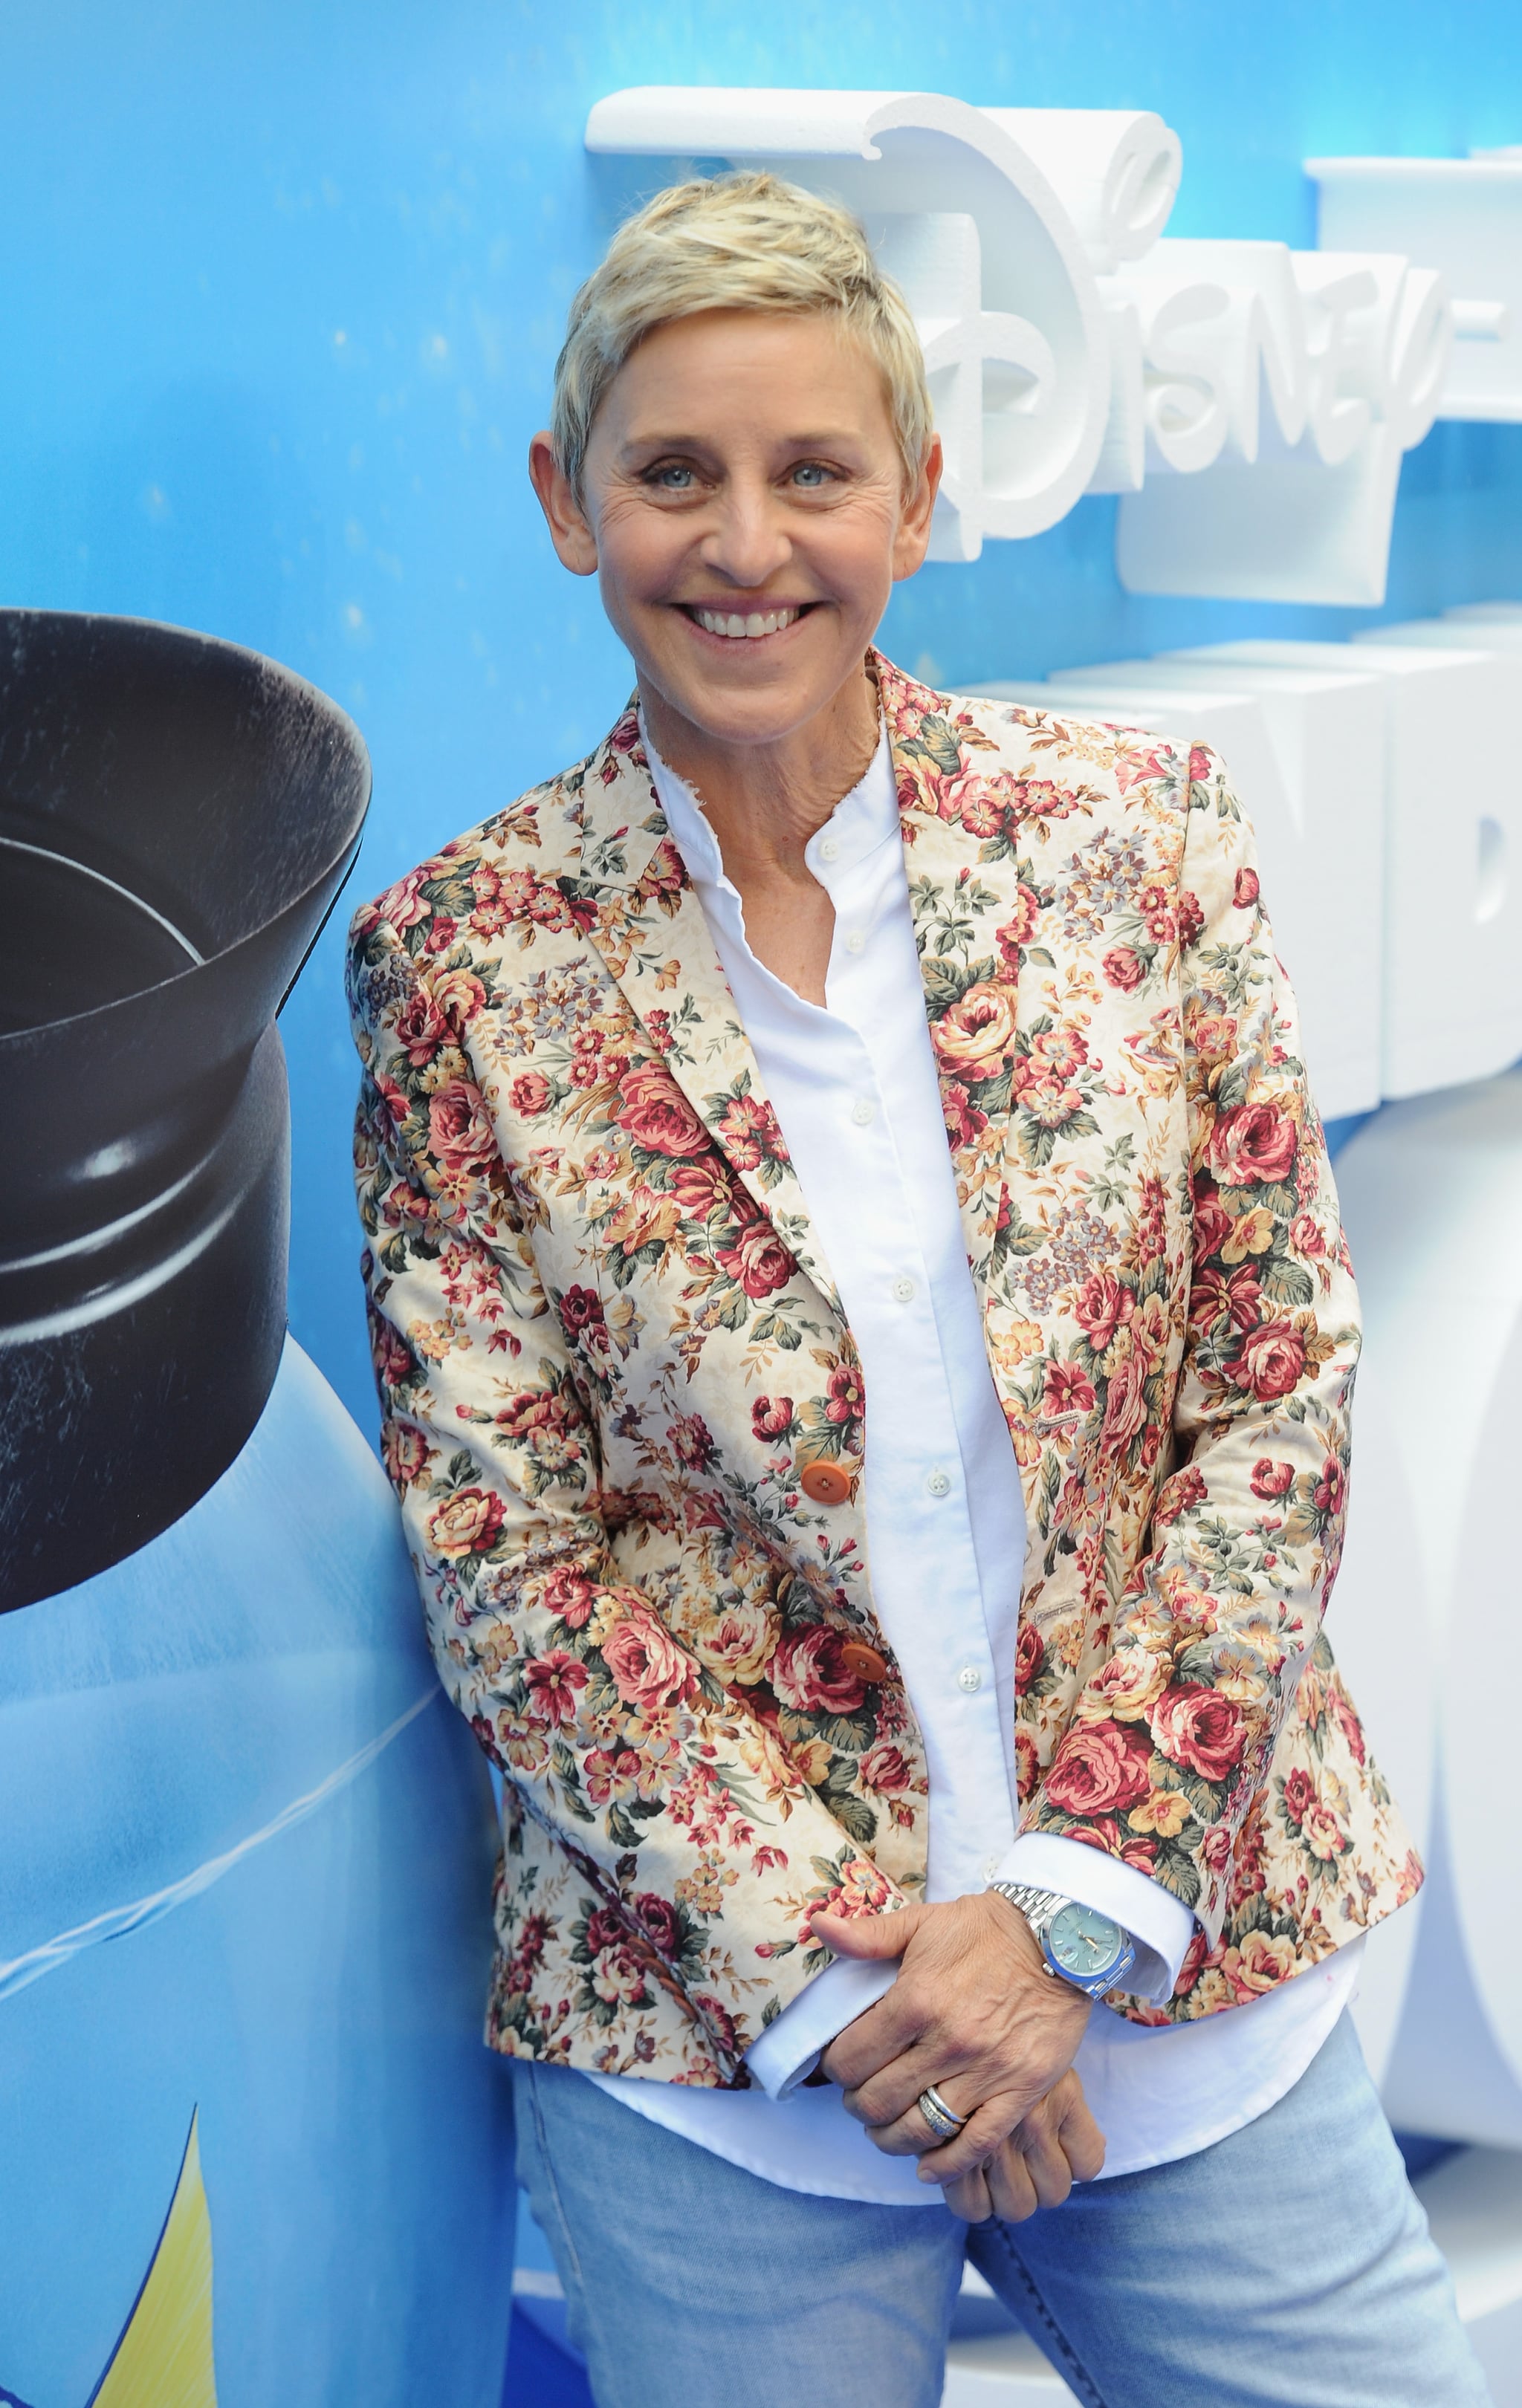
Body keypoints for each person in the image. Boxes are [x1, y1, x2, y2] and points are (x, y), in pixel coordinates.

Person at [346, 171, 1488, 2407]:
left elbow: (1270, 1396)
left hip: (1180, 1984)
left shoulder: (1137, 836)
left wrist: (1063, 1919)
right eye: (674, 472)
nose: (744, 543)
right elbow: (512, 1563)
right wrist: (856, 1996)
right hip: (734, 2066)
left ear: (922, 499)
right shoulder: (462, 966)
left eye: (814, 472)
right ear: (569, 504)